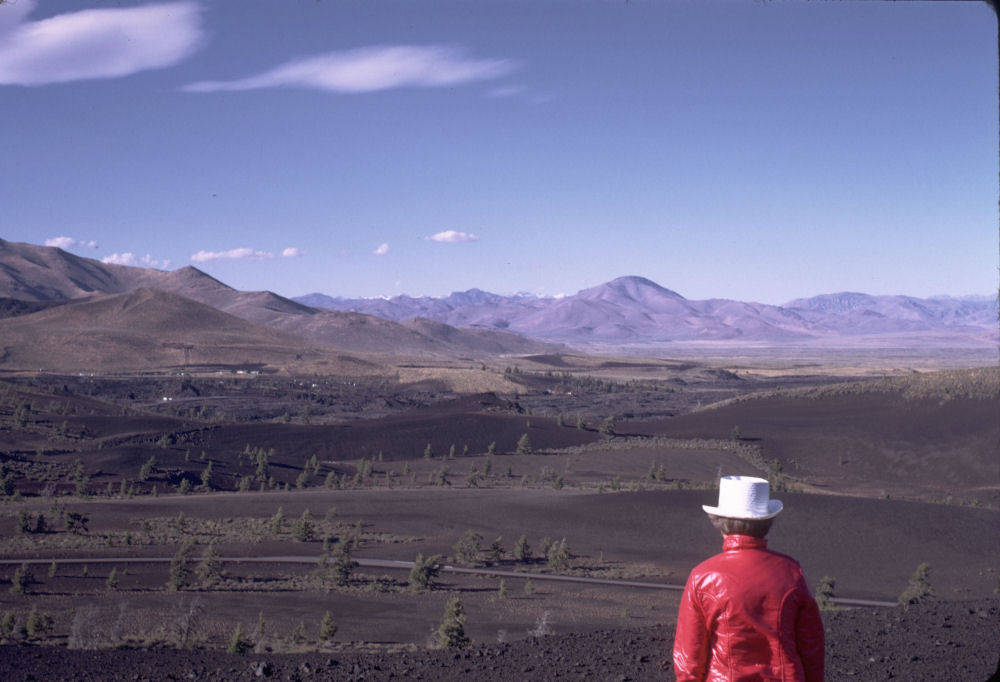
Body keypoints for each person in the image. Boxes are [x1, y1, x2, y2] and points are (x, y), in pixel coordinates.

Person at [671, 475, 825, 681]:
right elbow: (811, 647)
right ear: (766, 522)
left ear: (720, 522)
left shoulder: (703, 576)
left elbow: (688, 658)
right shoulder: (791, 572)